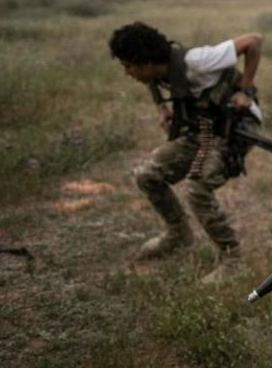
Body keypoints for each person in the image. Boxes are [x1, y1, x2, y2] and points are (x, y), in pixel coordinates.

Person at [108, 21, 263, 284]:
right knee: (148, 175)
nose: (128, 73)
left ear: (146, 62)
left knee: (197, 187)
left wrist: (245, 91)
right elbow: (155, 83)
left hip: (235, 128)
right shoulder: (158, 71)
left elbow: (254, 41)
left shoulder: (198, 61)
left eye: (129, 66)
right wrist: (161, 108)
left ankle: (232, 259)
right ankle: (178, 235)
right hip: (200, 130)